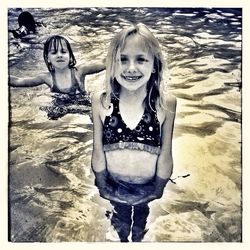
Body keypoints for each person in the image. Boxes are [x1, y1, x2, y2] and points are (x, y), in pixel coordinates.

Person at [91, 23, 176, 242]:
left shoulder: (164, 103)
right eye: (122, 59)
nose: (130, 68)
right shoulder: (101, 101)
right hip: (114, 185)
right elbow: (98, 151)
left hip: (147, 188)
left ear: (155, 65)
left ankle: (137, 239)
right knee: (120, 221)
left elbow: (165, 154)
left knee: (141, 220)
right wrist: (102, 184)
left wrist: (158, 188)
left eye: (141, 59)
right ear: (111, 64)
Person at [9, 35, 105, 96]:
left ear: (70, 56)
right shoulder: (46, 78)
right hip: (60, 108)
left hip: (81, 105)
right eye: (54, 52)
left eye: (63, 52)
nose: (59, 55)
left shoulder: (80, 71)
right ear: (48, 58)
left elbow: (104, 64)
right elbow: (19, 81)